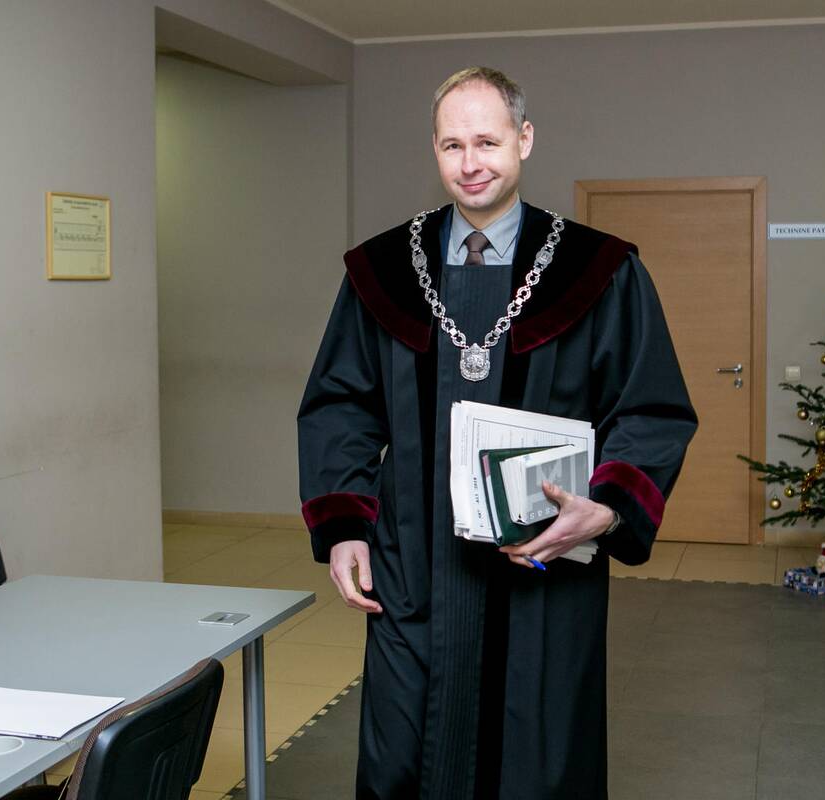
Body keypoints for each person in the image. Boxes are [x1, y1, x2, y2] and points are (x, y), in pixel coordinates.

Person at [297, 66, 697, 800]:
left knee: (537, 765)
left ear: (524, 139)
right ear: (435, 149)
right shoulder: (381, 272)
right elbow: (340, 405)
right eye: (452, 145)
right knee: (400, 762)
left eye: (487, 141)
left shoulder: (599, 270)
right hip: (412, 570)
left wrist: (608, 508)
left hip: (543, 570)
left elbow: (650, 408)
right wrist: (346, 526)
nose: (470, 163)